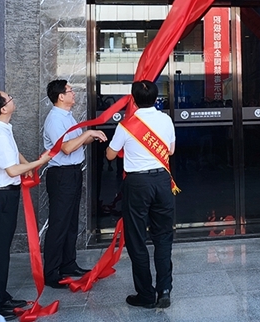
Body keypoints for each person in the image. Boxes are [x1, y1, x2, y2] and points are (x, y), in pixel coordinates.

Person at [0, 86, 52, 320]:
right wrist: (42, 161)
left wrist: (27, 163)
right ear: (3, 108)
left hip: (2, 196)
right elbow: (12, 170)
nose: (12, 98)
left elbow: (13, 155)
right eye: (8, 97)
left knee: (0, 250)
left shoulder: (0, 127)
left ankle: (0, 295)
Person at [106, 80, 176, 309]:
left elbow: (110, 155)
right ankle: (164, 290)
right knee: (163, 236)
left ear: (133, 100)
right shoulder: (166, 120)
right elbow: (171, 150)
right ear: (156, 99)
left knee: (136, 238)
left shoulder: (126, 125)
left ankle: (145, 294)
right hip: (162, 181)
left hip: (137, 184)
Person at [42, 80, 107, 288]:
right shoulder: (55, 119)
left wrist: (91, 136)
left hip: (73, 172)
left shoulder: (67, 116)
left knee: (71, 222)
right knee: (59, 223)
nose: (74, 94)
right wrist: (88, 133)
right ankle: (51, 272)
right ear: (60, 96)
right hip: (61, 175)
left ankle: (68, 264)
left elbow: (76, 141)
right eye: (70, 91)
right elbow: (67, 148)